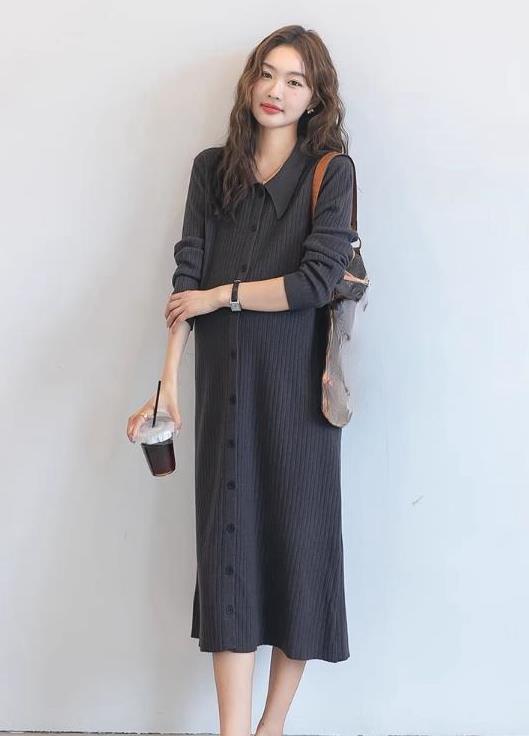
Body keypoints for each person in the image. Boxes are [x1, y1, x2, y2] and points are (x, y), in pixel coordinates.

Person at [127, 24, 358, 736]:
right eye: (267, 73)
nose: (275, 90)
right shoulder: (211, 170)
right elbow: (185, 283)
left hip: (299, 397)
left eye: (295, 80)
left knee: (299, 555)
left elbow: (316, 280)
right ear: (250, 81)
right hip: (225, 389)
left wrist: (222, 296)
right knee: (229, 557)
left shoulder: (331, 171)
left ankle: (271, 727)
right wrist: (167, 385)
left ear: (315, 97)